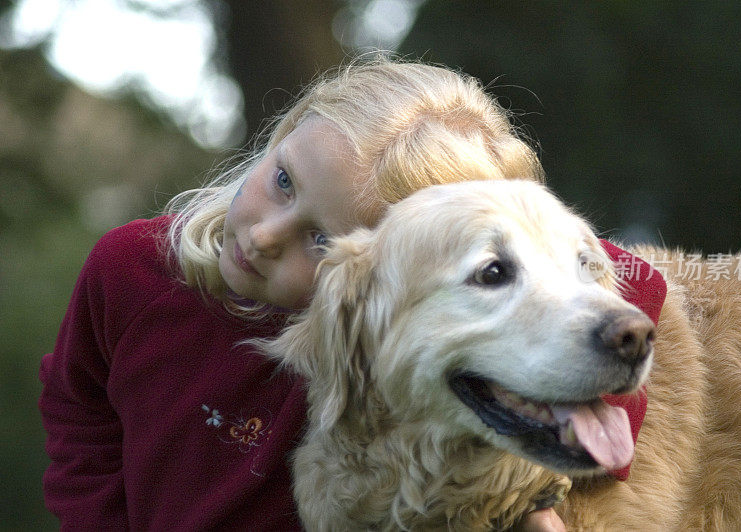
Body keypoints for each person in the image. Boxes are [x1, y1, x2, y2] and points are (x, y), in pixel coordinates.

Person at [40, 56, 567, 530]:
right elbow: (79, 407)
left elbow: (627, 280)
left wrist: (543, 480)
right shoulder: (133, 269)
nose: (266, 235)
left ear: (390, 274)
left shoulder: (376, 351)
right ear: (282, 135)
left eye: (321, 241)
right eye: (284, 181)